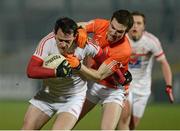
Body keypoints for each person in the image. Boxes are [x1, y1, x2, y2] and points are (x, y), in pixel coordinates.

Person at [22, 17, 106, 130]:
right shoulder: (47, 42)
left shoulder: (85, 44)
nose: (62, 45)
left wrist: (84, 68)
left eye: (67, 41)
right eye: (60, 40)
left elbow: (104, 63)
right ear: (54, 33)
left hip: (73, 98)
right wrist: (56, 72)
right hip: (48, 94)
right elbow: (31, 71)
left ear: (75, 36)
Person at [66, 9, 133, 130]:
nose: (113, 33)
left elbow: (99, 75)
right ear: (110, 21)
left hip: (113, 90)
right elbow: (74, 26)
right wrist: (80, 30)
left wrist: (78, 65)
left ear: (126, 32)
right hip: (91, 85)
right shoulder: (101, 24)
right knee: (67, 122)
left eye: (119, 31)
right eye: (112, 27)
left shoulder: (124, 50)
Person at [117, 11, 174, 130]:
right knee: (124, 118)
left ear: (144, 26)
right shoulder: (121, 39)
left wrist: (169, 85)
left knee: (132, 125)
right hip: (125, 84)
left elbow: (164, 63)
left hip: (143, 88)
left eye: (139, 23)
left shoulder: (152, 41)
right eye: (132, 23)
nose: (135, 26)